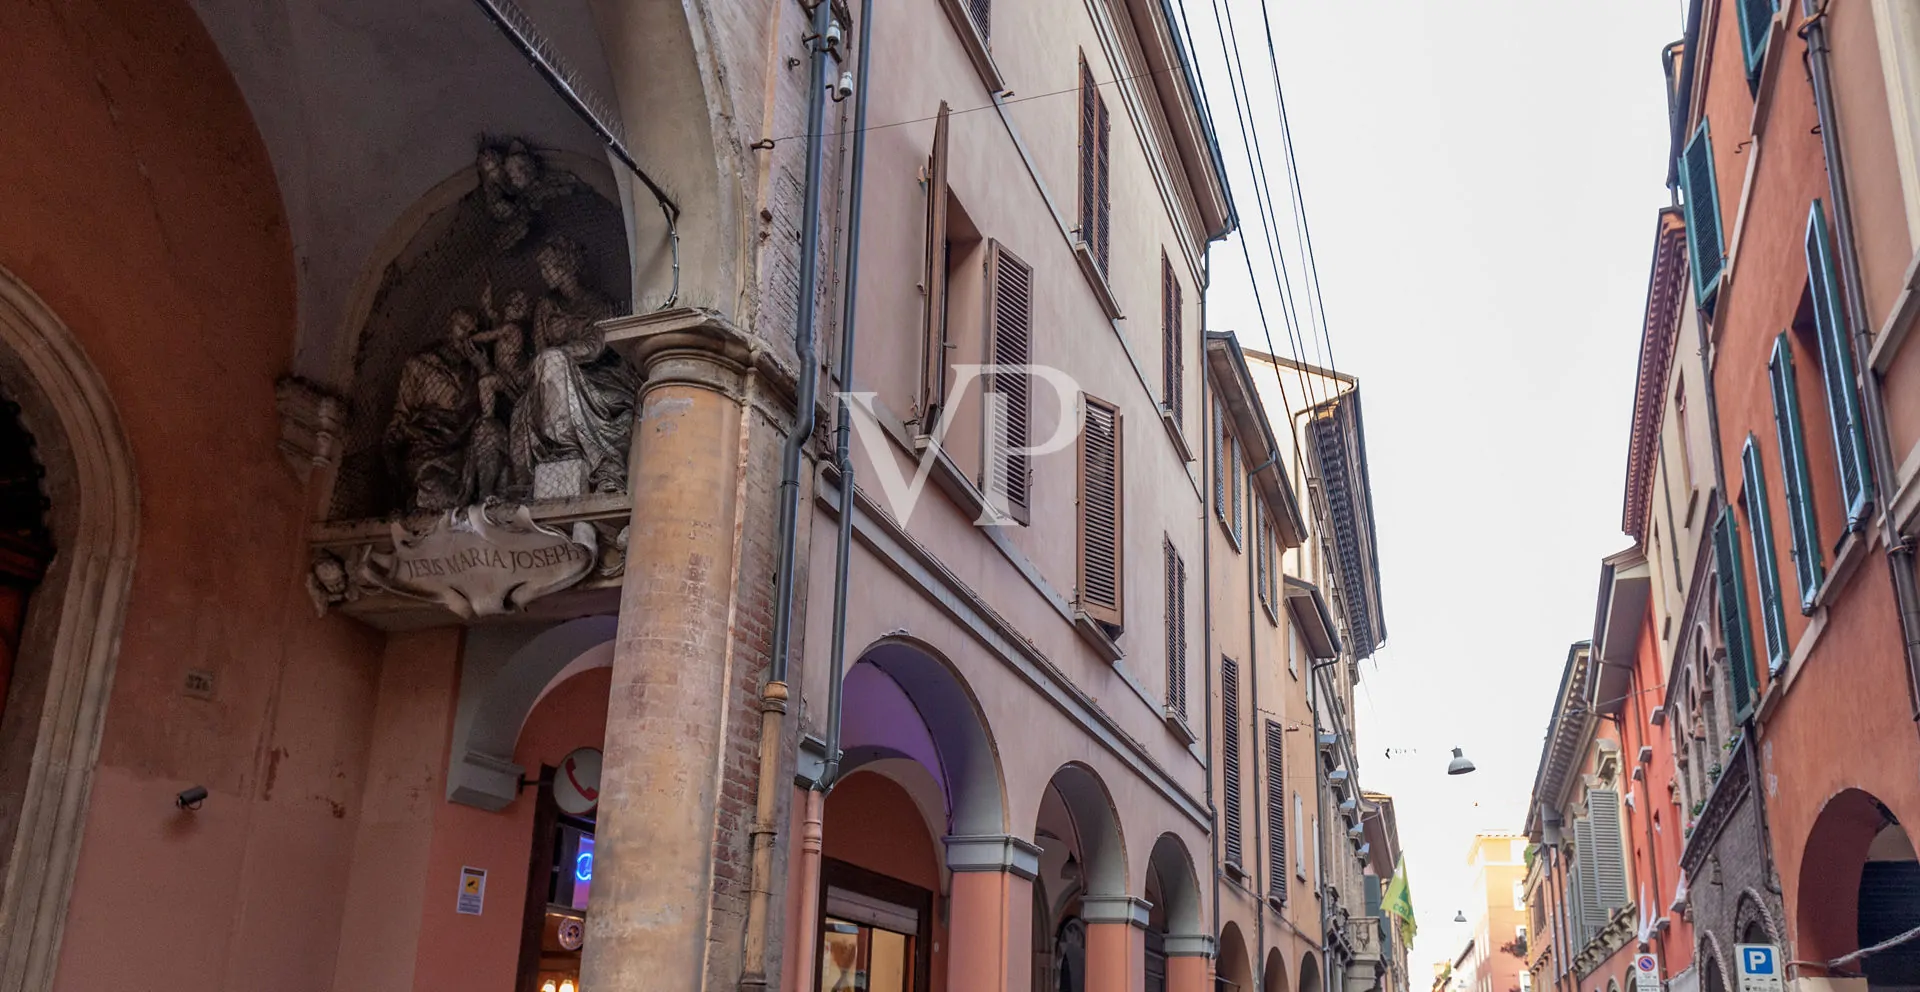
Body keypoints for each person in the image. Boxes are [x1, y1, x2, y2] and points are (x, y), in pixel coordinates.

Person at [513, 237, 636, 496]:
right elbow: (538, 349)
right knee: (546, 368)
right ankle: (559, 452)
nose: (545, 274)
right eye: (543, 268)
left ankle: (568, 448)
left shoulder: (598, 304)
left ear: (567, 266)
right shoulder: (546, 307)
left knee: (552, 361)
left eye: (550, 267)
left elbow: (598, 345)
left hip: (595, 375)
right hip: (550, 378)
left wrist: (564, 352)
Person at [384, 307, 484, 511]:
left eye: (472, 332)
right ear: (450, 326)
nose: (466, 335)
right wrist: (394, 436)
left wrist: (482, 368)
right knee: (438, 494)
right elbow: (402, 410)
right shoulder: (419, 363)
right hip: (426, 446)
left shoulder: (474, 371)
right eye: (462, 327)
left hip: (462, 451)